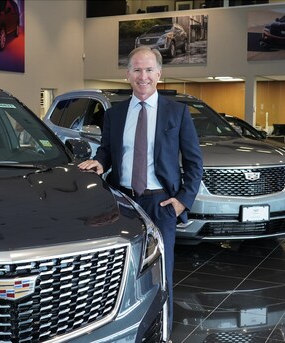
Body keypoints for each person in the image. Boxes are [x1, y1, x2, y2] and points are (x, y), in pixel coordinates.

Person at [78, 46, 203, 342]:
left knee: (162, 273)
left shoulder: (178, 112)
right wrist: (100, 161)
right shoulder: (115, 113)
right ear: (127, 75)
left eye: (148, 70)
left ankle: (164, 333)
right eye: (136, 69)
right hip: (123, 203)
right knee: (122, 270)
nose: (142, 76)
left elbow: (195, 162)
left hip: (161, 203)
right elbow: (108, 150)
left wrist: (182, 201)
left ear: (159, 74)